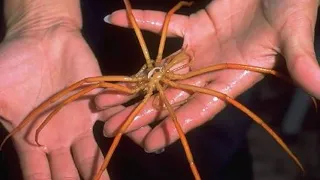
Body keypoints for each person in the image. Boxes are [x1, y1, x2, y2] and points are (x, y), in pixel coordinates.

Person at [0, 0, 319, 179]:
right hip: (104, 29)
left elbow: (170, 20)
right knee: (89, 93)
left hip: (221, 35)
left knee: (211, 121)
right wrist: (40, 18)